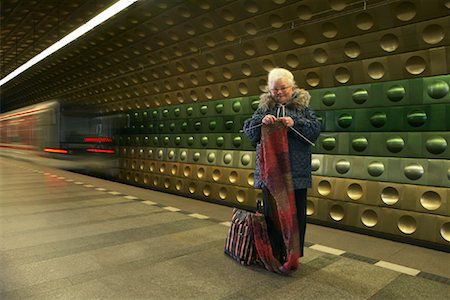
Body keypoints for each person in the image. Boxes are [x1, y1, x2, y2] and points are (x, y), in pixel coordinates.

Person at [243, 68, 321, 269]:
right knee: (272, 216)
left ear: (292, 86)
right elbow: (249, 134)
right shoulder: (263, 108)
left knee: (296, 216)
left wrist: (295, 122)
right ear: (269, 91)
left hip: (296, 174)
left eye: (283, 88)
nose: (278, 92)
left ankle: (293, 255)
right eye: (274, 89)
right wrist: (261, 123)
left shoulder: (303, 108)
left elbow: (315, 131)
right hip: (271, 175)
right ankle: (274, 254)